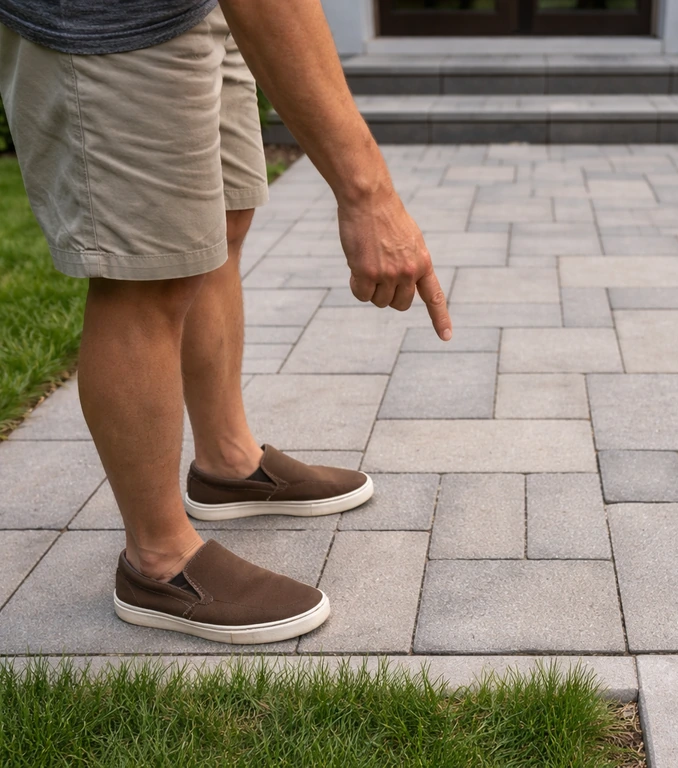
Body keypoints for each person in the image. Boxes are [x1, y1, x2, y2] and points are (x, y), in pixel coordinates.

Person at [0, 0, 451, 644]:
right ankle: (157, 561)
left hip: (198, 10)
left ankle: (226, 463)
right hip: (108, 26)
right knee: (145, 275)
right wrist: (366, 192)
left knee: (221, 225)